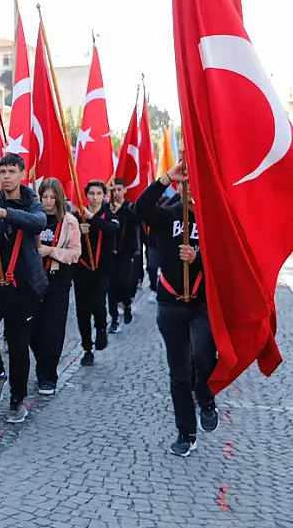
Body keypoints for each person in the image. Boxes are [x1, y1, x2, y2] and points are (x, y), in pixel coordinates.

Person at [137, 164, 216, 457]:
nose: (193, 189)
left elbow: (223, 261)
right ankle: (186, 432)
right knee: (179, 371)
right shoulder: (169, 214)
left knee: (203, 357)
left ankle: (206, 398)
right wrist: (166, 178)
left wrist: (197, 258)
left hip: (202, 303)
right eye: (188, 183)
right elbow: (141, 206)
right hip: (171, 304)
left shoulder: (214, 219)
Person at [0, 153, 47, 423]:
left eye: (11, 171)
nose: (6, 176)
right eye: (2, 171)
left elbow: (39, 223)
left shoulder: (33, 204)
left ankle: (17, 400)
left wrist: (6, 213)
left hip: (22, 286)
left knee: (17, 345)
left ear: (22, 174)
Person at [31, 178, 81, 395]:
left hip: (57, 279)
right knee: (33, 328)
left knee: (53, 329)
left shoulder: (69, 222)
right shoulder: (34, 220)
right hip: (33, 280)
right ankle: (42, 363)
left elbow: (75, 254)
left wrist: (51, 251)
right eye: (45, 197)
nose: (48, 201)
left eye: (52, 197)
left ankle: (48, 375)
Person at [73, 180, 121, 366]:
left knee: (98, 303)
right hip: (82, 268)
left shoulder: (109, 215)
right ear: (86, 196)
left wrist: (92, 219)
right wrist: (78, 229)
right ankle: (87, 348)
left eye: (98, 194)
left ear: (104, 196)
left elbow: (112, 230)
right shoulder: (77, 216)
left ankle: (101, 328)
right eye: (91, 194)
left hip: (102, 268)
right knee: (82, 310)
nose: (94, 197)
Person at [108, 179, 140, 333]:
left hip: (126, 253)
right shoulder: (107, 208)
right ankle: (113, 320)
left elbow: (137, 220)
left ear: (124, 190)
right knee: (111, 288)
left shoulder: (130, 207)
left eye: (119, 189)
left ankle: (127, 304)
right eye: (113, 190)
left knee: (124, 282)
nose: (116, 193)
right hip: (109, 254)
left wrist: (120, 209)